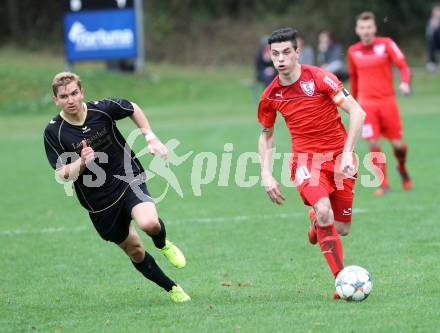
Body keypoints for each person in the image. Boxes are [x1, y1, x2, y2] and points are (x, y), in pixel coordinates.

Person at [43, 72, 190, 302]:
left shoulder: (101, 109)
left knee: (149, 223)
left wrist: (150, 137)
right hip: (99, 203)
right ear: (56, 100)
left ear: (82, 92)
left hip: (127, 178)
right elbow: (61, 174)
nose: (70, 100)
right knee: (136, 251)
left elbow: (132, 107)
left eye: (74, 93)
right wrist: (82, 162)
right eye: (64, 96)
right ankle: (172, 288)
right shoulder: (54, 131)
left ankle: (162, 243)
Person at [257, 28, 365, 298]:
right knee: (326, 210)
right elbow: (266, 136)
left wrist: (349, 152)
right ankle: (341, 282)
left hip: (339, 160)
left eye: (285, 52)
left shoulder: (320, 78)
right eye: (275, 54)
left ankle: (316, 221)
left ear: (297, 53)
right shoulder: (271, 95)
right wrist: (266, 174)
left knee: (341, 228)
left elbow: (357, 112)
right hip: (305, 161)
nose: (280, 59)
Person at [348, 11, 412, 196]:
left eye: (369, 27)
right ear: (357, 30)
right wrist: (353, 104)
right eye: (362, 28)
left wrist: (405, 83)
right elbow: (353, 77)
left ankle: (402, 167)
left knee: (398, 146)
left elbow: (403, 66)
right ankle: (383, 183)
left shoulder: (386, 44)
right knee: (373, 142)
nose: (366, 31)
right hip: (367, 104)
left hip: (387, 102)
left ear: (374, 28)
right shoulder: (353, 51)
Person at [426, 3, 440, 72]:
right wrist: (433, 27)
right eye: (435, 11)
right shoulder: (431, 21)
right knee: (430, 42)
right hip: (435, 43)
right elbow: (428, 35)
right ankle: (432, 63)